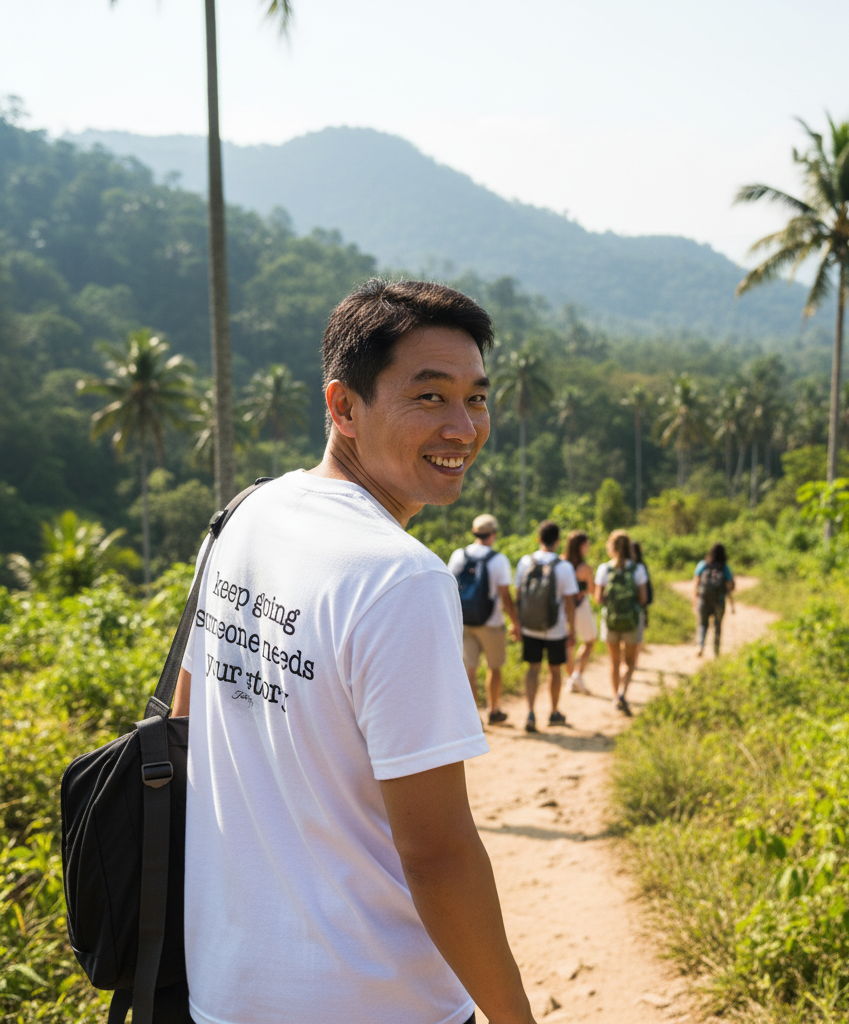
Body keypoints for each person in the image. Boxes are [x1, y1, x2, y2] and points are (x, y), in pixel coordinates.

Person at [170, 279, 535, 1024]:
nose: (463, 427)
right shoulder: (397, 577)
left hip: (223, 992)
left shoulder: (247, 514)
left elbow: (185, 727)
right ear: (343, 406)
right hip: (374, 1000)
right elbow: (437, 854)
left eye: (477, 397)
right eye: (429, 397)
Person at [448, 513, 521, 725]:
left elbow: (450, 587)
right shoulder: (498, 560)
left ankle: (473, 718)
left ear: (474, 532)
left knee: (470, 669)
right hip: (491, 622)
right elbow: (506, 597)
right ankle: (494, 709)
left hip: (465, 621)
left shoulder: (458, 555)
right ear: (494, 534)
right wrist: (515, 622)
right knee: (494, 667)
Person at [514, 520, 578, 732]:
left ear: (539, 539)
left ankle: (531, 712)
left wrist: (518, 623)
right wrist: (572, 629)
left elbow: (519, 595)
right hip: (555, 628)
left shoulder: (525, 561)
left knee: (533, 669)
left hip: (530, 626)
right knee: (555, 670)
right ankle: (554, 712)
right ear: (558, 541)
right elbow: (569, 603)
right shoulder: (564, 566)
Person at [594, 529, 648, 717]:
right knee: (630, 661)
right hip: (632, 621)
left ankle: (615, 697)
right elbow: (643, 599)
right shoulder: (638, 569)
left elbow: (598, 598)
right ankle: (623, 693)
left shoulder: (603, 569)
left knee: (614, 661)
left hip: (611, 621)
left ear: (611, 547)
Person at [562, 530, 597, 694]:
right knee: (589, 640)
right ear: (581, 546)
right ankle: (576, 675)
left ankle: (572, 679)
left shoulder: (560, 563)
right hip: (581, 607)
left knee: (568, 645)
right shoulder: (585, 568)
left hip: (562, 607)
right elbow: (591, 589)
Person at [693, 542, 736, 658]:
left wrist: (695, 600)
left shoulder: (703, 564)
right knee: (717, 626)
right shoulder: (725, 567)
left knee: (702, 624)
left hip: (704, 599)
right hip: (719, 601)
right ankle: (716, 652)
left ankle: (700, 646)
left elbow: (696, 583)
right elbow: (729, 586)